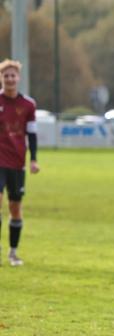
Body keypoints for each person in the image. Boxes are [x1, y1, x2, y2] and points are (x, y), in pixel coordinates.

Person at [0, 59, 39, 267]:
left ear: (18, 78)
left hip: (17, 162)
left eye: (12, 75)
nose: (9, 79)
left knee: (15, 208)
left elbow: (32, 135)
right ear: (1, 79)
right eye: (6, 75)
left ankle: (13, 252)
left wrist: (33, 160)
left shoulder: (28, 105)